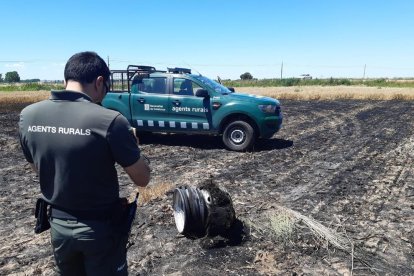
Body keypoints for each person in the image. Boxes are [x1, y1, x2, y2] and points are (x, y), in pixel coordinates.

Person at [18, 51, 151, 275]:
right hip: (100, 230)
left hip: (58, 226)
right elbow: (142, 178)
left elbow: (38, 168)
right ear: (100, 82)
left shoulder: (28, 116)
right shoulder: (110, 120)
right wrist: (133, 147)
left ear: (65, 80)